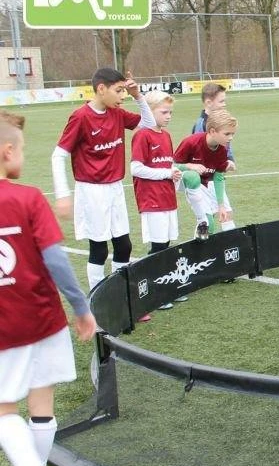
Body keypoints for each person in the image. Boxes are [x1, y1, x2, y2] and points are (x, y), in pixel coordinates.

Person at [0, 110, 97, 466]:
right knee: (41, 404)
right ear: (8, 151)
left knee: (5, 409)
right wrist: (81, 307)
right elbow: (55, 260)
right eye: (23, 149)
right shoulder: (28, 197)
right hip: (43, 318)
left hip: (4, 328)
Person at [51, 67, 155, 291]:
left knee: (124, 246)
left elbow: (149, 124)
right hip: (92, 191)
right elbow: (58, 155)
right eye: (118, 91)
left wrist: (138, 96)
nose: (122, 96)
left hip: (115, 188)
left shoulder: (117, 113)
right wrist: (63, 194)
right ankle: (96, 301)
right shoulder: (81, 117)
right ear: (101, 89)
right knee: (99, 249)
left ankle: (120, 295)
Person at [130, 90, 192, 316]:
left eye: (170, 112)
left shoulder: (165, 136)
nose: (168, 116)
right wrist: (166, 173)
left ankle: (168, 286)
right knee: (158, 246)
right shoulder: (142, 135)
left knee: (166, 244)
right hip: (151, 199)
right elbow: (135, 168)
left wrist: (173, 173)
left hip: (167, 198)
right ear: (150, 111)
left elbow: (167, 165)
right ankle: (153, 292)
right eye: (164, 112)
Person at [174, 109, 237, 239]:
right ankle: (199, 245)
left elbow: (218, 177)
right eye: (227, 134)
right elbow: (171, 165)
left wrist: (221, 206)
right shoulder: (191, 142)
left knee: (226, 216)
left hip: (208, 182)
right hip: (190, 181)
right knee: (208, 224)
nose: (231, 138)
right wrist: (190, 166)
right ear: (212, 131)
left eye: (233, 134)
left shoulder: (222, 149)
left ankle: (218, 246)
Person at [193, 82, 238, 170]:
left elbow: (226, 143)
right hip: (205, 173)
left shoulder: (223, 120)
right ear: (209, 103)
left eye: (224, 101)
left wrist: (230, 159)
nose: (224, 104)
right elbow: (198, 154)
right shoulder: (201, 125)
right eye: (221, 101)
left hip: (218, 170)